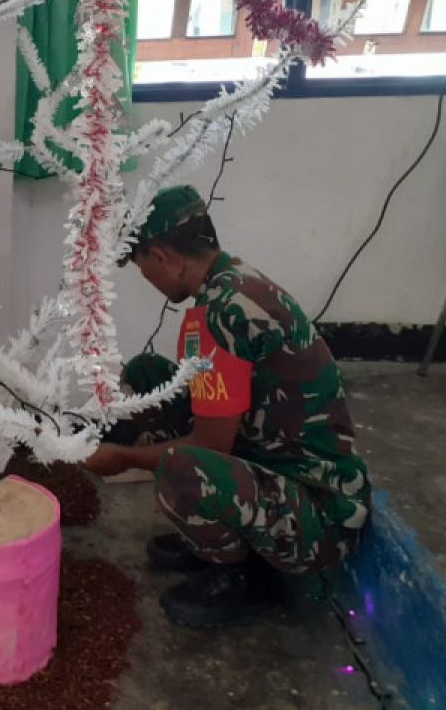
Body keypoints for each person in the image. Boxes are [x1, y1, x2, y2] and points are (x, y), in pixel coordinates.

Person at [85, 185, 371, 628]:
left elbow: (210, 446)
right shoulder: (233, 281)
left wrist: (121, 458)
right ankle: (218, 535)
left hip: (317, 516)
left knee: (182, 469)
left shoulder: (221, 314)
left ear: (162, 256)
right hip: (272, 461)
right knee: (149, 375)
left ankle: (244, 574)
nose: (148, 279)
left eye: (143, 267)